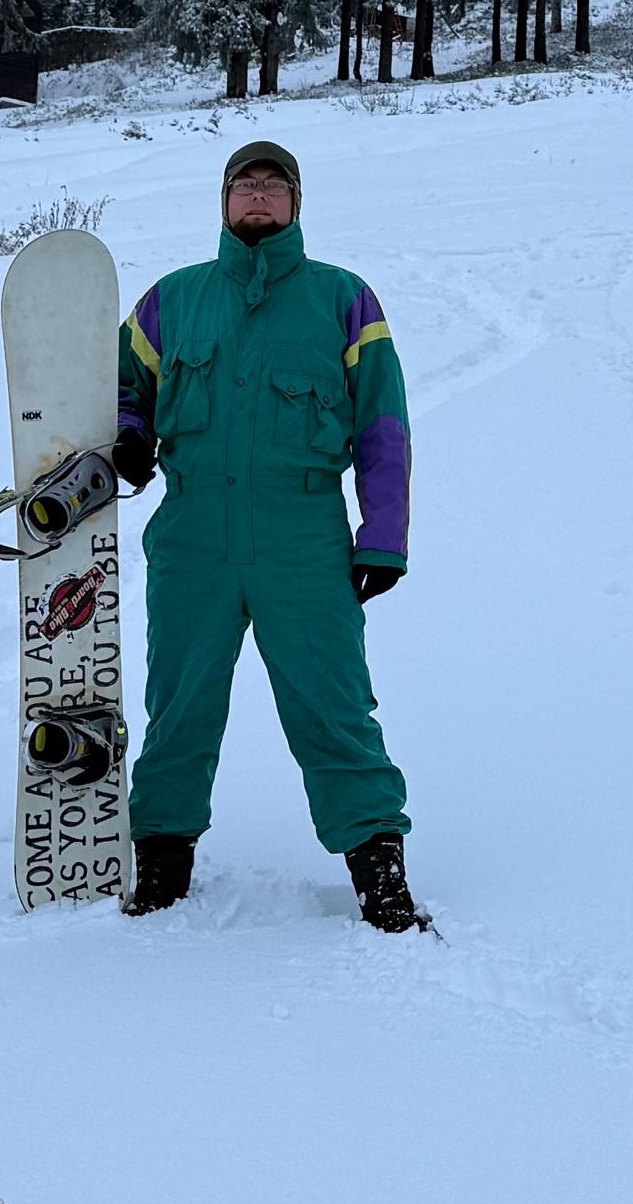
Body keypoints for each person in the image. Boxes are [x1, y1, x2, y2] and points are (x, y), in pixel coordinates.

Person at [111, 139, 428, 932]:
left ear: (295, 203)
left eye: (273, 185)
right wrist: (127, 434)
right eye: (244, 185)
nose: (258, 197)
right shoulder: (171, 300)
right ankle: (161, 863)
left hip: (303, 536)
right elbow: (122, 385)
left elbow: (383, 424)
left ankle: (379, 872)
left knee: (333, 704)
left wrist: (382, 534)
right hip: (192, 535)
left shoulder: (343, 299)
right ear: (223, 202)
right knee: (179, 703)